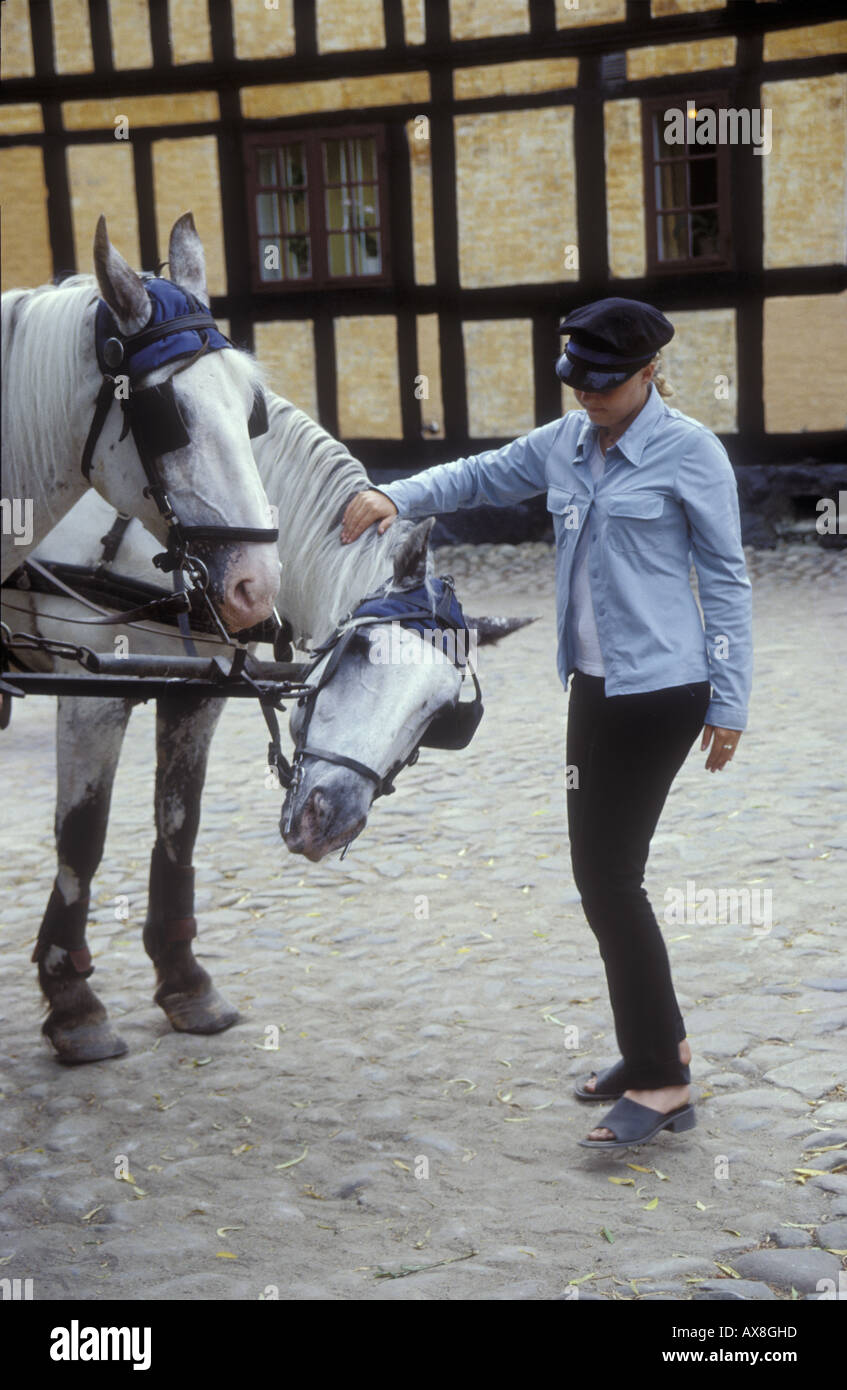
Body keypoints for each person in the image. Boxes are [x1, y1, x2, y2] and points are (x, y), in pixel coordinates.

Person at [340, 297, 753, 1150]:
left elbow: (726, 579)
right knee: (596, 877)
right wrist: (391, 494)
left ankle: (663, 1083)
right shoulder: (565, 443)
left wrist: (730, 699)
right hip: (592, 687)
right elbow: (477, 475)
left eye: (605, 385)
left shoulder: (690, 452)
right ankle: (655, 1041)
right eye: (577, 383)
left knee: (612, 881)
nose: (587, 400)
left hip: (663, 691)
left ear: (649, 375)